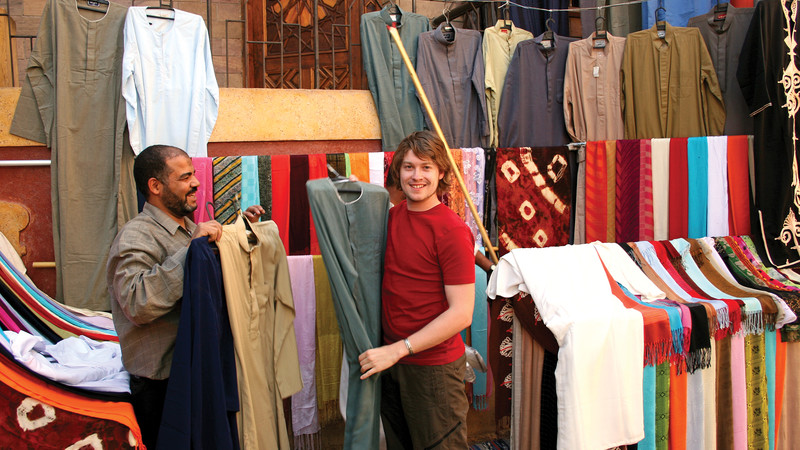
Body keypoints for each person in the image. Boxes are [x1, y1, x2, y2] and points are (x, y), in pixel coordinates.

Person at [106, 144, 263, 448]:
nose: (196, 182)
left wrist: (240, 234)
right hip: (162, 387)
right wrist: (192, 252)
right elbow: (137, 303)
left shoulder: (190, 229)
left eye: (193, 174)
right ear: (155, 186)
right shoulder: (136, 235)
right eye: (185, 177)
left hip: (199, 374)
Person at [358, 131, 476, 449]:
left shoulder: (452, 231)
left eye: (426, 167)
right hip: (392, 367)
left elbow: (462, 313)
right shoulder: (391, 218)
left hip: (433, 371)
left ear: (441, 172)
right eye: (409, 167)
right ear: (398, 172)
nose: (417, 176)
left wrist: (397, 349)